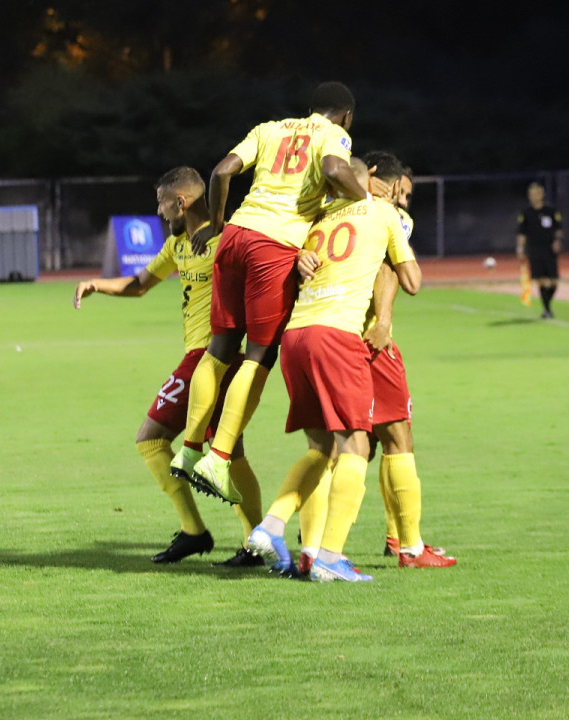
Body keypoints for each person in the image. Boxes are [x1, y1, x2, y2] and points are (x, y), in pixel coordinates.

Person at [169, 82, 375, 505]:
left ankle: (189, 451)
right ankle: (219, 456)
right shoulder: (333, 135)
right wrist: (366, 202)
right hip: (275, 245)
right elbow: (336, 171)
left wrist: (222, 222)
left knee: (220, 349)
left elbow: (222, 172)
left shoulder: (268, 128)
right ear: (346, 117)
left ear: (310, 106)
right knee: (259, 354)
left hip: (236, 235)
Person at [73, 167, 264, 567]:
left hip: (212, 357)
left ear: (181, 201)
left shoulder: (228, 238)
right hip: (206, 358)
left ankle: (199, 532)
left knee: (151, 439)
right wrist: (98, 284)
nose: (158, 212)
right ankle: (253, 542)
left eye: (162, 202)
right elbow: (140, 283)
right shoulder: (178, 244)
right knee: (228, 453)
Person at [246, 154, 421, 583]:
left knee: (320, 448)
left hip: (295, 336)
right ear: (372, 181)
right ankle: (330, 555)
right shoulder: (385, 214)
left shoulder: (316, 218)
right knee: (357, 446)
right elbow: (409, 280)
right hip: (339, 336)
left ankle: (272, 525)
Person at [296, 155, 455, 573]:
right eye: (405, 192)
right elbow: (394, 268)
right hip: (364, 338)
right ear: (395, 183)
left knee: (330, 448)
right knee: (396, 437)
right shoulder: (387, 212)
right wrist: (383, 320)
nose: (406, 200)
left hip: (314, 333)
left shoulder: (323, 211)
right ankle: (408, 545)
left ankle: (312, 545)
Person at [515, 182, 563, 319]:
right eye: (531, 194)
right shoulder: (526, 214)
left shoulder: (552, 211)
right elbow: (521, 233)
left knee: (554, 281)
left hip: (549, 249)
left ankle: (547, 305)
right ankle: (547, 309)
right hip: (535, 250)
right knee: (541, 280)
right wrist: (520, 249)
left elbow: (559, 229)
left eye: (536, 193)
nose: (533, 197)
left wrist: (557, 241)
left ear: (542, 195)